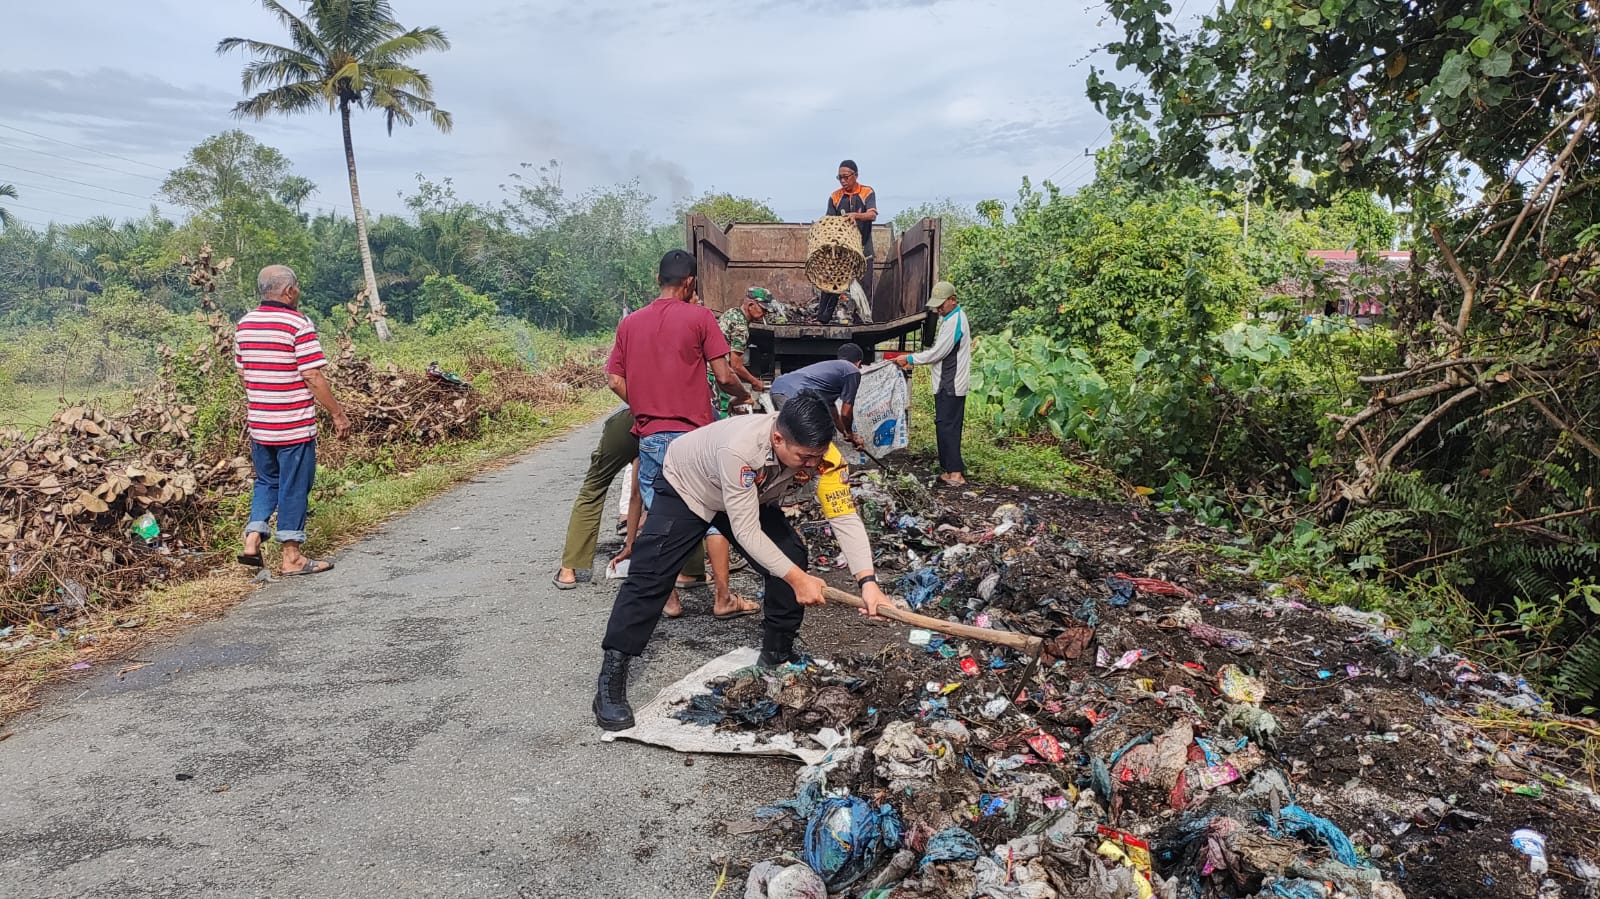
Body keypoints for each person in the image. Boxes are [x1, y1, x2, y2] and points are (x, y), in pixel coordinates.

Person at [593, 393, 891, 730]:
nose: (811, 465)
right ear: (778, 438)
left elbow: (844, 516)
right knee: (650, 575)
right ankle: (611, 677)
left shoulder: (825, 457)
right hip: (690, 488)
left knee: (790, 554)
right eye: (804, 458)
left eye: (817, 457)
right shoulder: (741, 449)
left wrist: (868, 582)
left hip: (752, 496)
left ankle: (777, 651)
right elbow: (746, 531)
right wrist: (798, 580)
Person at [607, 249, 751, 617]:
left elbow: (614, 380)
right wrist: (741, 395)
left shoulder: (630, 323)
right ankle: (722, 598)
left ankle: (668, 599)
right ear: (690, 283)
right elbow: (723, 375)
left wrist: (643, 406)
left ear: (659, 280)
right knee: (713, 513)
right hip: (695, 438)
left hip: (652, 435)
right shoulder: (701, 317)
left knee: (659, 520)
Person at [234, 264, 350, 576]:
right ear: (289, 291)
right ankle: (292, 557)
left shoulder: (244, 325)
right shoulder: (297, 323)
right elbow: (311, 374)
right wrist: (337, 414)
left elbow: (243, 371)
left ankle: (253, 536)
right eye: (296, 289)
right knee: (294, 486)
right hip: (293, 425)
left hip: (260, 425)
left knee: (267, 481)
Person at [553, 405, 713, 589]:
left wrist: (630, 542)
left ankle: (568, 570)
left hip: (631, 415)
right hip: (673, 419)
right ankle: (691, 571)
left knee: (594, 488)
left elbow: (635, 495)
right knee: (681, 489)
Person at [893, 280, 971, 487]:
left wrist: (909, 359)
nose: (937, 309)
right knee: (943, 425)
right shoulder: (950, 318)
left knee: (948, 427)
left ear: (953, 301)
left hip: (951, 383)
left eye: (941, 304)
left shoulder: (955, 322)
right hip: (946, 382)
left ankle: (956, 473)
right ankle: (949, 470)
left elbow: (938, 353)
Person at [769, 344, 867, 449]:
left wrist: (846, 433)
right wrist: (850, 433)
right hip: (794, 393)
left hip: (778, 387)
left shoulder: (832, 370)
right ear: (858, 362)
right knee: (800, 437)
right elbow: (846, 413)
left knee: (787, 433)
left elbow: (833, 413)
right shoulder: (852, 371)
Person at [818, 160, 878, 325]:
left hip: (863, 247)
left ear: (855, 176)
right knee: (833, 281)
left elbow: (872, 215)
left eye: (846, 177)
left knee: (864, 285)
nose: (843, 181)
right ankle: (823, 317)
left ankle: (862, 321)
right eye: (840, 178)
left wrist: (855, 216)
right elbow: (829, 222)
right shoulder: (835, 196)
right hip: (842, 250)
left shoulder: (867, 192)